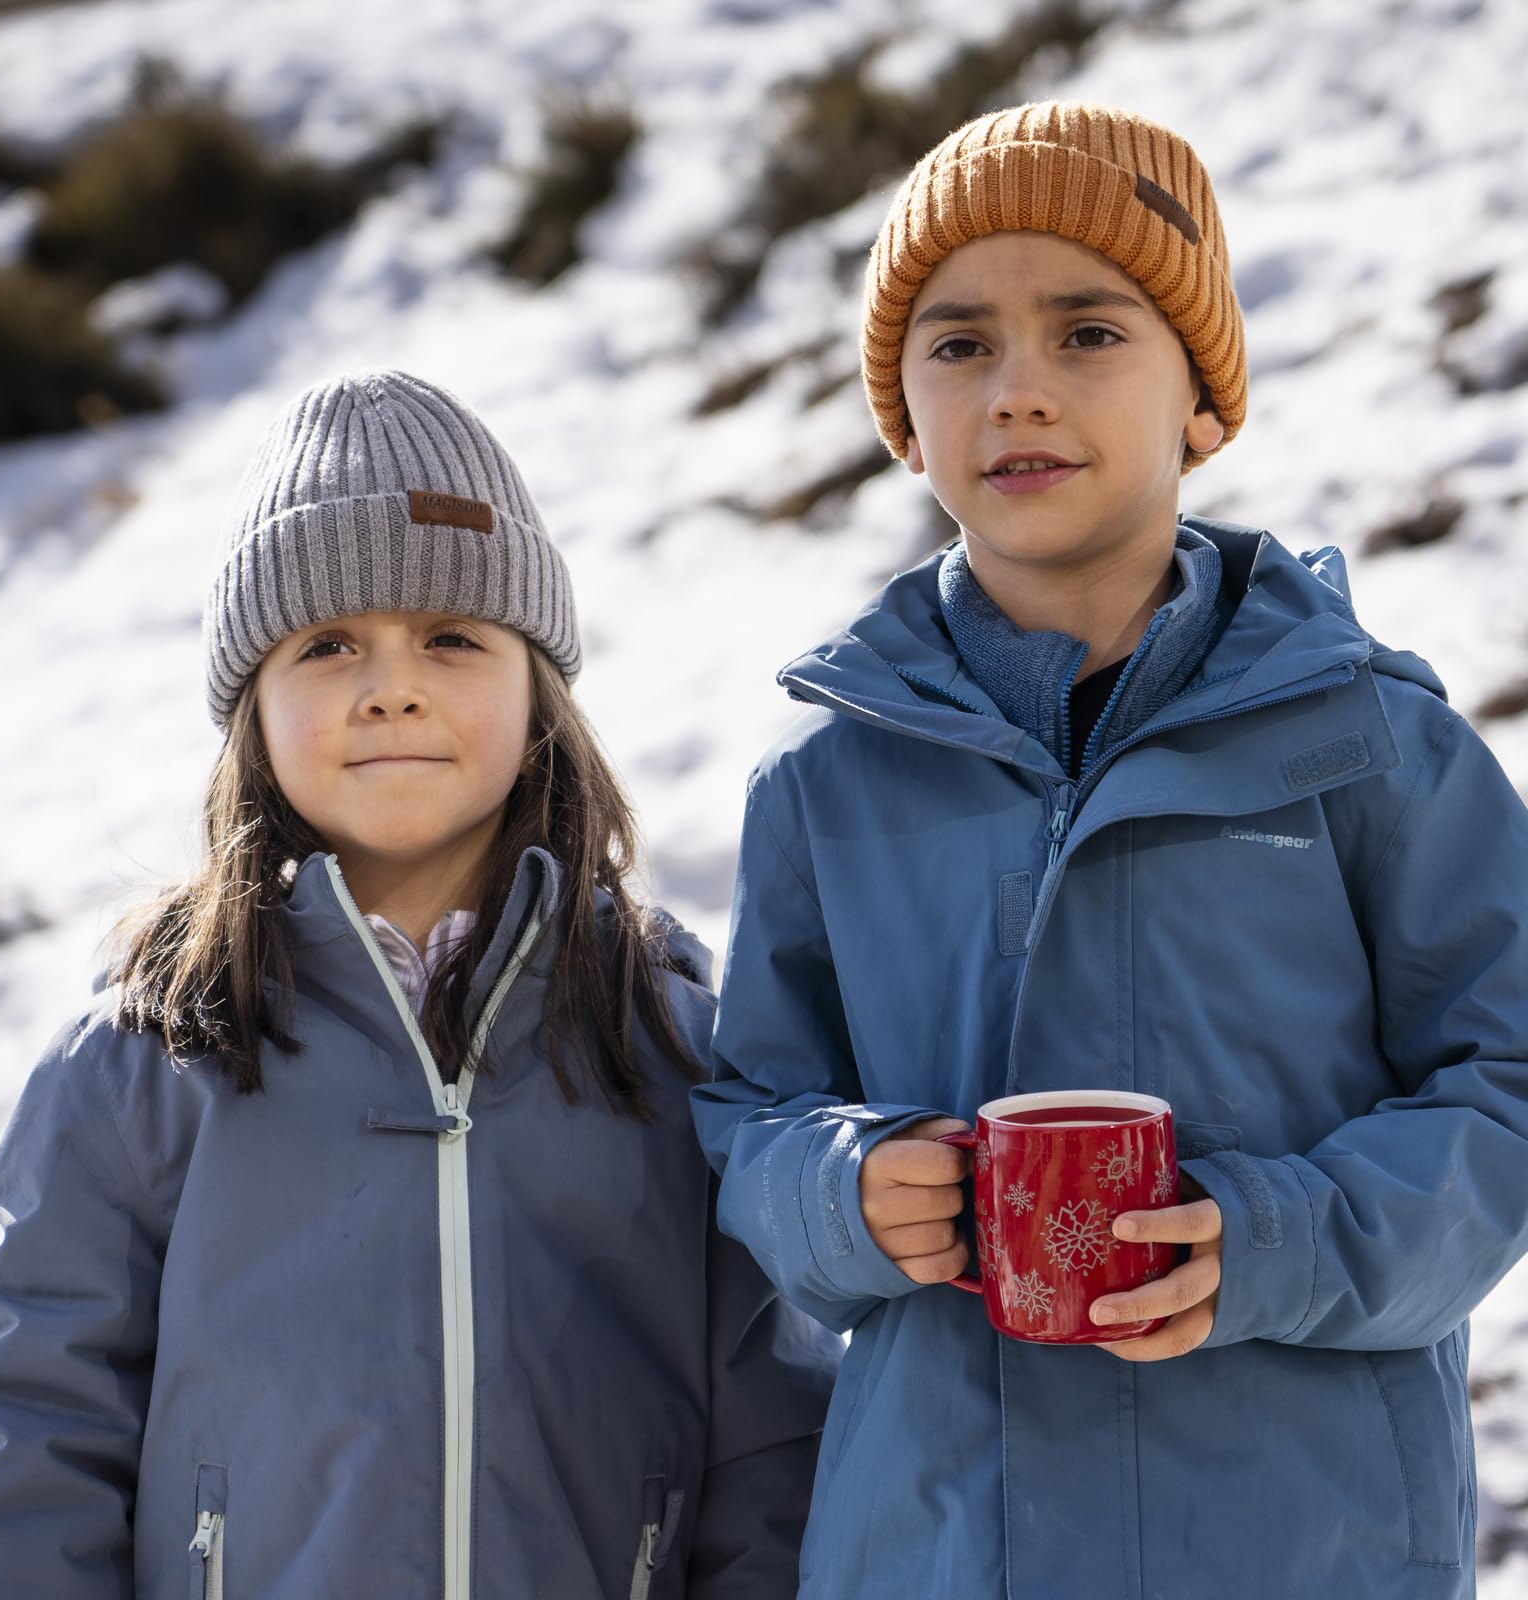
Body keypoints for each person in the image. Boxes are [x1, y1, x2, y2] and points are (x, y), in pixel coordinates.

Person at [692, 100, 1528, 1598]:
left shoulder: (1367, 738)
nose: (1019, 390)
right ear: (904, 416)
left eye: (1087, 332)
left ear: (1202, 400)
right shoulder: (829, 777)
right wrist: (841, 1191)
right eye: (959, 345)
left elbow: (1508, 1080)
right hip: (944, 1543)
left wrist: (1276, 1238)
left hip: (1301, 1540)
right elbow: (747, 1105)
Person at [0, 370, 839, 1599]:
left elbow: (770, 1440)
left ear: (540, 693)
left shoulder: (665, 1037)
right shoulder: (147, 1054)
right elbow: (32, 1437)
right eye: (329, 642)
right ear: (254, 705)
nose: (391, 684)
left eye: (451, 637)